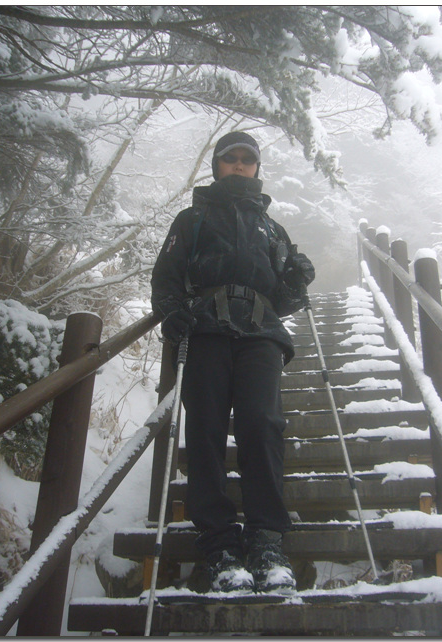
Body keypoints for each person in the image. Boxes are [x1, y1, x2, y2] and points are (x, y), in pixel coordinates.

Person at [151, 131, 315, 594]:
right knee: (204, 429)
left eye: (247, 159)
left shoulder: (272, 229)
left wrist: (297, 281)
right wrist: (172, 313)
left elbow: (282, 300)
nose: (240, 166)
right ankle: (219, 542)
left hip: (261, 334)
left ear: (257, 168)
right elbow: (164, 278)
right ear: (217, 166)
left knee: (262, 423)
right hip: (205, 330)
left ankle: (266, 540)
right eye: (231, 159)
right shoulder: (192, 219)